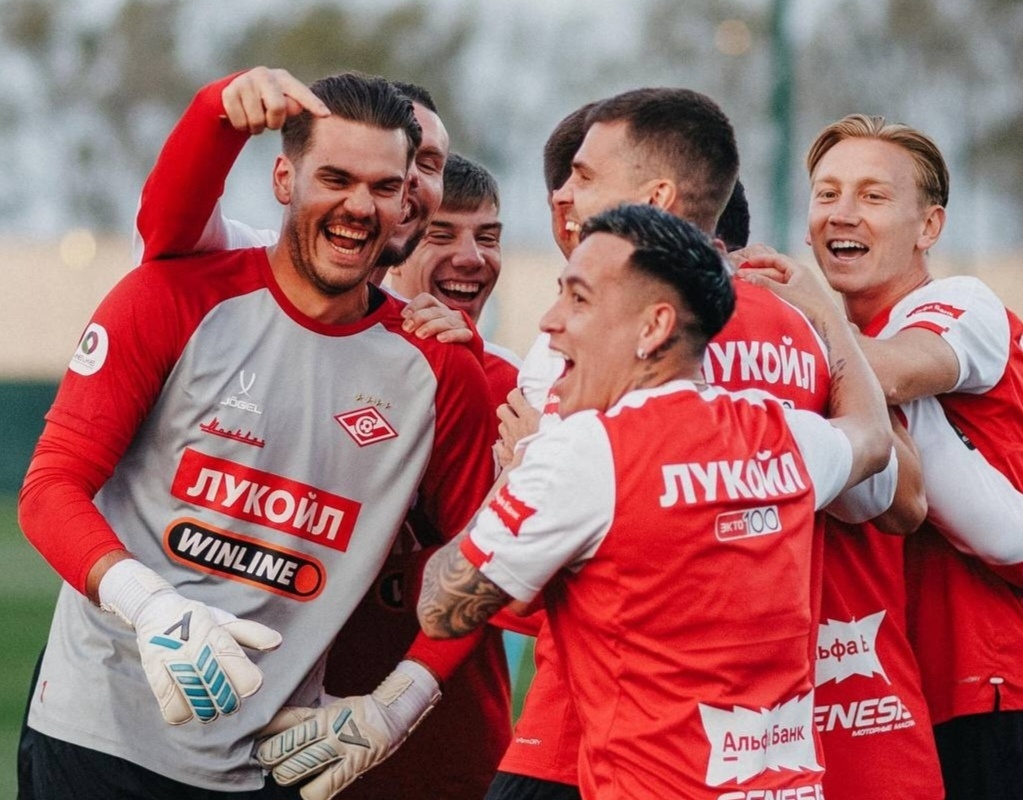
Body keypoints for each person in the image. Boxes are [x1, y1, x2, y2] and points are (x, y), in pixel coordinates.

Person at [17, 71, 496, 800]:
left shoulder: (441, 370)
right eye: (334, 178)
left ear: (407, 203)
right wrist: (150, 605)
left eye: (382, 187)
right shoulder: (173, 295)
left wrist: (397, 706)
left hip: (270, 764)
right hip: (93, 738)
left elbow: (484, 560)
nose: (357, 206)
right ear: (283, 179)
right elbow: (50, 487)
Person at [418, 202, 893, 800]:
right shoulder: (782, 433)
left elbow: (442, 607)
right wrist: (826, 313)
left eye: (578, 299)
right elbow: (871, 436)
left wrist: (515, 474)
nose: (550, 320)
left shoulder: (584, 452)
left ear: (653, 327)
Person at [740, 113, 1023, 799]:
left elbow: (891, 370)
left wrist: (789, 319)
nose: (843, 213)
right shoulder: (829, 338)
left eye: (872, 195)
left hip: (992, 687)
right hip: (902, 692)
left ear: (929, 226)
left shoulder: (960, 303)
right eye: (827, 193)